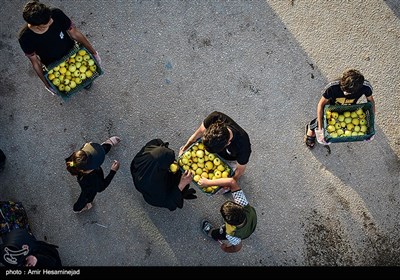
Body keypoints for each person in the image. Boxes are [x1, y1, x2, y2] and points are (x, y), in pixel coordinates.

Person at [18, 0, 101, 94]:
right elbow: (35, 62)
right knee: (66, 83)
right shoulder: (25, 38)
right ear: (37, 26)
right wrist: (47, 84)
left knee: (85, 74)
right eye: (47, 23)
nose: (52, 21)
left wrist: (93, 52)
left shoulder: (56, 14)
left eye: (50, 18)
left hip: (73, 52)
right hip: (54, 64)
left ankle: (86, 82)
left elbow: (74, 33)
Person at [304, 69, 375, 148]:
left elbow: (371, 101)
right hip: (331, 107)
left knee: (342, 123)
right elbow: (321, 105)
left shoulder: (365, 87)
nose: (345, 93)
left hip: (349, 108)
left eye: (348, 92)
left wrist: (372, 123)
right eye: (343, 89)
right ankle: (311, 128)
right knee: (323, 119)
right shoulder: (332, 87)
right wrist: (320, 130)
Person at [179, 111, 251, 181]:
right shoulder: (215, 117)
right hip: (209, 158)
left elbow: (240, 170)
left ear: (228, 143)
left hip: (230, 158)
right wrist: (184, 148)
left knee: (227, 176)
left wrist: (232, 181)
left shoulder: (243, 146)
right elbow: (197, 134)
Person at [130, 139, 197, 211]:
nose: (174, 162)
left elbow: (159, 144)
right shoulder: (155, 187)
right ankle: (182, 192)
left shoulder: (148, 152)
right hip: (153, 196)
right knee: (178, 178)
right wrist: (182, 184)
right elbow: (169, 202)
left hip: (143, 178)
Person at [199, 178, 257, 253]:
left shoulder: (232, 234)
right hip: (252, 222)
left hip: (240, 232)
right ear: (238, 206)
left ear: (228, 222)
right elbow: (231, 182)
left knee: (220, 233)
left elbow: (237, 248)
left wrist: (225, 249)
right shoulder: (243, 204)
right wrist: (208, 182)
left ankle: (211, 232)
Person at [65, 136, 120, 213]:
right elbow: (101, 187)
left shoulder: (76, 159)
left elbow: (90, 153)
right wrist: (113, 171)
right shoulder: (92, 180)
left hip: (84, 165)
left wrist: (87, 147)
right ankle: (78, 208)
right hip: (88, 188)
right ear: (89, 169)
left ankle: (107, 145)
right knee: (86, 197)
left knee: (96, 152)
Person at [0, 201, 62, 267]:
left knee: (13, 230)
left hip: (20, 252)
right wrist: (37, 259)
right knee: (17, 228)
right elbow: (53, 260)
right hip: (29, 250)